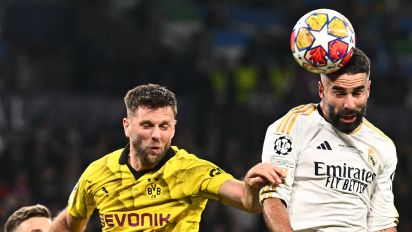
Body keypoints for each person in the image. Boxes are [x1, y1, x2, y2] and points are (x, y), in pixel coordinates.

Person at [49, 83, 286, 231]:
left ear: (173, 128)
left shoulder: (192, 171)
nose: (156, 135)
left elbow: (247, 200)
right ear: (127, 127)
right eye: (146, 125)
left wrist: (252, 185)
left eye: (164, 126)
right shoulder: (98, 173)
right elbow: (71, 223)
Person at [259, 47, 399, 231]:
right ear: (321, 90)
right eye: (339, 93)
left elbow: (382, 222)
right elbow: (273, 198)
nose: (349, 104)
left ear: (368, 89)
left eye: (357, 92)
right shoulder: (293, 126)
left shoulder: (383, 145)